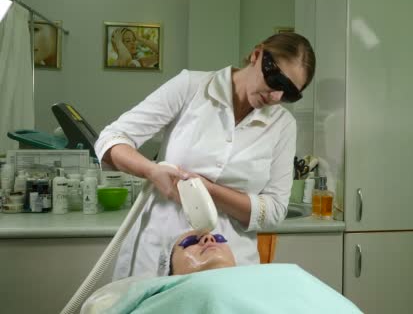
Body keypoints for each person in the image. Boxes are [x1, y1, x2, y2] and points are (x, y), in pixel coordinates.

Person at [94, 32, 316, 280]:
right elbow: (112, 138)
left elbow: (274, 211)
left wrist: (205, 189)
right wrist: (152, 171)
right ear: (256, 55)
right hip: (158, 253)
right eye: (276, 80)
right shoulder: (191, 87)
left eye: (289, 93)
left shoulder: (282, 125)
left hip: (229, 263)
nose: (276, 96)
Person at [81, 229, 362, 313]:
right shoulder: (168, 293)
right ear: (170, 273)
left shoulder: (286, 273)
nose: (208, 239)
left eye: (218, 238)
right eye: (190, 242)